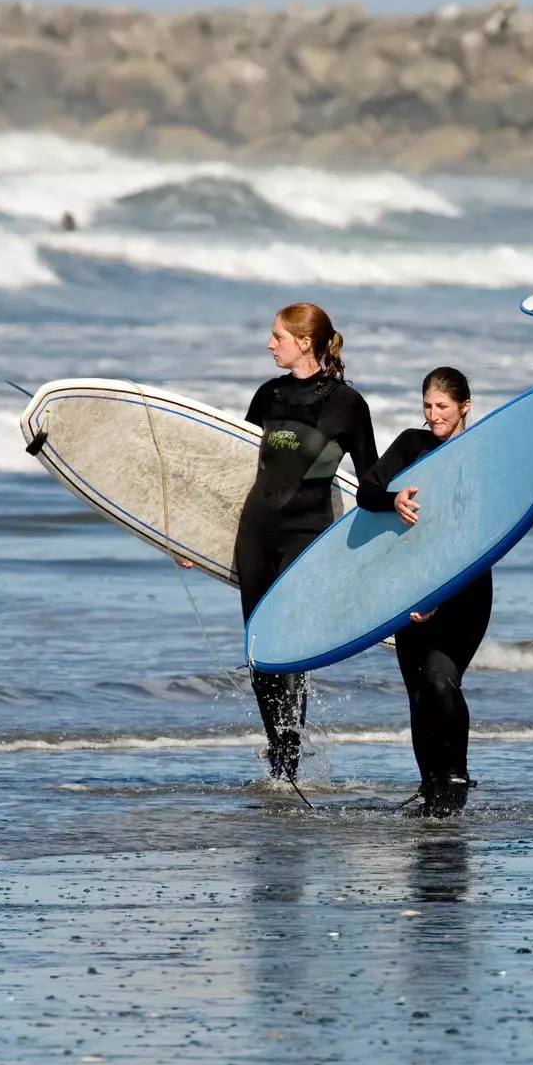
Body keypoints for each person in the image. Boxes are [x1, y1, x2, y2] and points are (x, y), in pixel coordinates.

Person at [234, 302, 380, 784]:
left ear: (304, 342)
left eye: (277, 335)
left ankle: (290, 749)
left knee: (288, 646)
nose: (269, 343)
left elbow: (372, 483)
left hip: (307, 536)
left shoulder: (346, 404)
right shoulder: (268, 395)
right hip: (257, 534)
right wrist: (193, 540)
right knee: (259, 649)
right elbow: (235, 470)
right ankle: (279, 751)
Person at [358, 367, 490, 814]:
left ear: (465, 407)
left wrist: (440, 596)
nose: (434, 415)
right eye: (428, 406)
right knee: (417, 691)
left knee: (440, 680)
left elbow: (483, 537)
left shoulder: (480, 454)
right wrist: (393, 499)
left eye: (443, 407)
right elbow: (367, 491)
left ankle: (455, 779)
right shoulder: (413, 444)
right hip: (412, 584)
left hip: (465, 588)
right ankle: (431, 787)